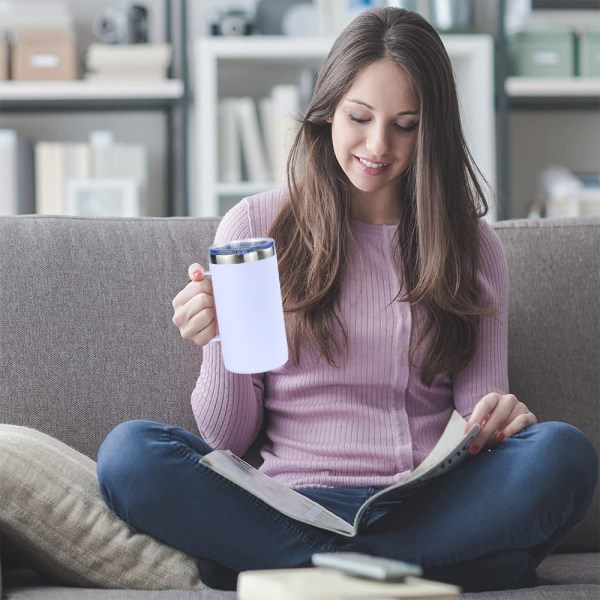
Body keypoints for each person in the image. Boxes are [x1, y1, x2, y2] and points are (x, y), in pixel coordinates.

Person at [96, 7, 598, 593]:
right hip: (287, 504)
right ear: (329, 108)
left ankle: (293, 569)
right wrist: (221, 341)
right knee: (129, 454)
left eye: (405, 125)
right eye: (359, 117)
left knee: (562, 453)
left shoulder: (470, 244)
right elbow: (227, 440)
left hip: (424, 501)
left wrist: (501, 423)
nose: (377, 145)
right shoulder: (256, 225)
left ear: (431, 129)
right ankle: (430, 569)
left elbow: (475, 425)